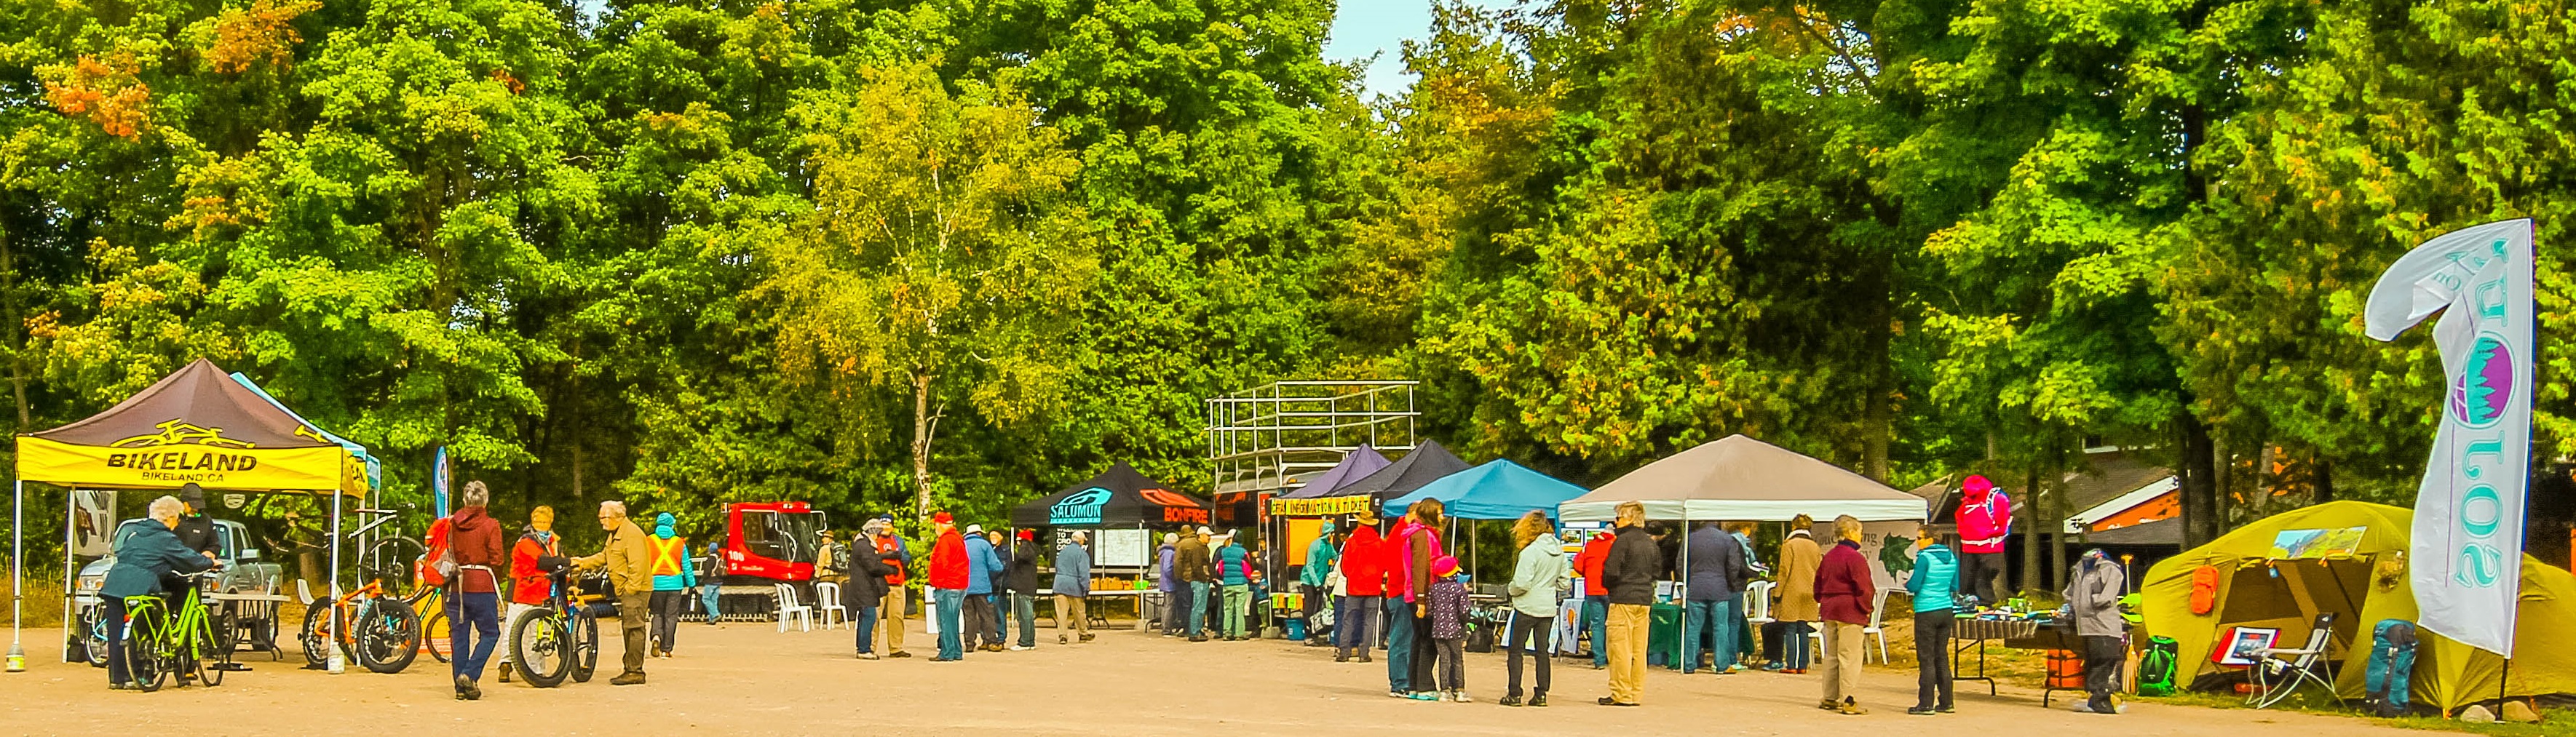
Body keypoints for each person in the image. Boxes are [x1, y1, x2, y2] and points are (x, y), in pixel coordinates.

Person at [100, 495, 213, 690]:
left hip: (115, 583)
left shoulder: (134, 532)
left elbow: (129, 555)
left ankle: (117, 678)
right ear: (169, 518)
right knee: (143, 631)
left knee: (117, 634)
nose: (178, 524)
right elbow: (187, 558)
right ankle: (139, 675)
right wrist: (210, 562)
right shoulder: (164, 537)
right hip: (141, 585)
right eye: (178, 519)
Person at [574, 500, 652, 685]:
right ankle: (631, 668)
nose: (601, 521)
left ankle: (634, 671)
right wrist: (582, 562)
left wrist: (629, 590)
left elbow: (638, 566)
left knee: (634, 628)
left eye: (604, 517)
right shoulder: (616, 534)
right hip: (627, 589)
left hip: (636, 590)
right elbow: (605, 556)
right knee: (628, 628)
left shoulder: (632, 534)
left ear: (617, 517)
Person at [445, 481, 506, 700]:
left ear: (465, 500)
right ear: (486, 500)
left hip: (455, 585)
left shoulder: (450, 524)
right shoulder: (491, 525)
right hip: (481, 584)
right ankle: (469, 675)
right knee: (490, 633)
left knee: (459, 637)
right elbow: (497, 558)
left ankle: (461, 688)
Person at [1596, 501, 1659, 707]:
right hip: (1644, 599)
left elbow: (1611, 571)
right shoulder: (1651, 543)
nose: (1615, 522)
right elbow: (1657, 570)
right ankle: (1635, 693)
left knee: (1619, 648)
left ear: (1630, 519)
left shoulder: (1622, 541)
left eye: (1619, 518)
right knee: (1639, 650)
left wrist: (1610, 587)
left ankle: (1621, 693)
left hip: (1623, 598)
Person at [1502, 510, 1566, 707]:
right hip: (1547, 606)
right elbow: (1564, 583)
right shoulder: (1559, 551)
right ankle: (1542, 694)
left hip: (1527, 605)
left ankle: (1515, 693)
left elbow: (1522, 582)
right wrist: (1549, 588)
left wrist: (1511, 590)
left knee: (1516, 651)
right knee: (1542, 652)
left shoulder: (1530, 552)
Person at [1386, 499, 1446, 700]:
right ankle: (1419, 685)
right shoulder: (1419, 535)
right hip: (1413, 592)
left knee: (1416, 639)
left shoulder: (1407, 533)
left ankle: (1411, 684)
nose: (1442, 518)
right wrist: (1421, 598)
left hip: (1407, 591)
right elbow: (1419, 567)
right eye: (1439, 514)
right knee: (1423, 640)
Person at [1815, 514, 1876, 714]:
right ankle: (1849, 699)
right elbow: (1865, 587)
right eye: (1859, 532)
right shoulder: (1855, 558)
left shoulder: (1829, 556)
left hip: (1829, 608)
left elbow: (1818, 584)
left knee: (1832, 654)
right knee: (1849, 656)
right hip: (1850, 609)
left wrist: (1823, 601)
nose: (1860, 536)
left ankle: (1830, 697)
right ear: (1851, 533)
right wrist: (1866, 608)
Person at [501, 505, 563, 683]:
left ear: (550, 523)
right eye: (538, 521)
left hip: (542, 593)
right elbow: (543, 562)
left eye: (545, 522)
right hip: (522, 591)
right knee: (513, 630)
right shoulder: (525, 541)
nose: (541, 525)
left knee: (539, 632)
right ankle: (506, 664)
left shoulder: (553, 542)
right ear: (532, 522)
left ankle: (536, 670)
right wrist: (565, 561)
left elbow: (557, 565)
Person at [1678, 521, 1746, 675]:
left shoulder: (1690, 538)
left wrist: (1690, 580)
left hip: (1696, 588)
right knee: (1721, 627)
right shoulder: (1728, 540)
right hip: (1720, 588)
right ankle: (1721, 664)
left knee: (1693, 628)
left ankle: (1689, 664)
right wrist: (1728, 582)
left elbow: (1681, 564)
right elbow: (1734, 566)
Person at [2064, 549, 2128, 714]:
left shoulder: (2110, 570)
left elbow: (2107, 597)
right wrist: (2072, 606)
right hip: (2085, 626)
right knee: (2093, 662)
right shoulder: (2078, 570)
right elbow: (2069, 593)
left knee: (2104, 660)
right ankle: (2095, 700)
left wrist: (2091, 601)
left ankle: (2102, 701)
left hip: (2105, 625)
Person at [1905, 525, 1959, 715]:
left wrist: (1907, 584)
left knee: (1926, 658)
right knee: (1941, 656)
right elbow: (1954, 585)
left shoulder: (1924, 558)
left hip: (1926, 610)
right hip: (1946, 609)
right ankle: (1947, 702)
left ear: (1930, 539)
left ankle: (1925, 704)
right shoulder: (1952, 557)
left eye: (1919, 538)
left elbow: (1915, 585)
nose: (1917, 542)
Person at [1771, 514, 1822, 674]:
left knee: (1791, 629)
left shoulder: (1789, 545)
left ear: (1793, 526)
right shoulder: (1815, 546)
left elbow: (1784, 571)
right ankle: (1803, 665)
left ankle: (1791, 665)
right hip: (1810, 591)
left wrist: (1778, 592)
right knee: (1803, 628)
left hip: (1792, 591)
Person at [1954, 474, 2011, 607]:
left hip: (1990, 548)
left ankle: (1986, 603)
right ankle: (1969, 603)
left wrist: (1985, 534)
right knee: (1967, 581)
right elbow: (1959, 519)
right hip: (1969, 547)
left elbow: (2003, 524)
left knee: (1983, 579)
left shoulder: (1997, 500)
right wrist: (1967, 534)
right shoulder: (1966, 503)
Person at [844, 521, 898, 658]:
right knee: (869, 617)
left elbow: (870, 559)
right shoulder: (864, 545)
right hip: (864, 587)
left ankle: (863, 648)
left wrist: (885, 556)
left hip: (862, 586)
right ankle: (864, 649)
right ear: (872, 532)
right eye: (877, 534)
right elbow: (872, 566)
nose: (878, 537)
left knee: (866, 617)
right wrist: (891, 570)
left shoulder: (861, 543)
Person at [1335, 512, 1384, 662]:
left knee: (1349, 618)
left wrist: (1353, 576)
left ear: (1359, 523)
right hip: (1373, 587)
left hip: (1354, 587)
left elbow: (1345, 566)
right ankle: (1364, 653)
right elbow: (1385, 564)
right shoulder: (1379, 543)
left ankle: (1344, 652)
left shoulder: (1352, 542)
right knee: (1369, 620)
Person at [646, 512, 695, 658]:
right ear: (671, 525)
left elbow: (644, 562)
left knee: (657, 614)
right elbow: (686, 565)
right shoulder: (679, 542)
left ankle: (656, 636)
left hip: (655, 584)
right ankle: (666, 649)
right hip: (675, 585)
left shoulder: (649, 541)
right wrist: (692, 584)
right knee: (671, 616)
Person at [1426, 555, 1473, 703]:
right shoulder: (1459, 589)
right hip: (1456, 629)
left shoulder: (1433, 589)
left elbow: (1429, 611)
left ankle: (1444, 691)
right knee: (1457, 659)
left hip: (1438, 629)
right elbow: (1465, 610)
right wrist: (1463, 623)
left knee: (1444, 660)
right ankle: (1459, 690)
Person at [925, 511, 969, 661]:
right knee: (953, 619)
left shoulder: (945, 541)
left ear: (940, 525)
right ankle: (956, 651)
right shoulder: (958, 539)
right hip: (960, 584)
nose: (935, 528)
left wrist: (937, 582)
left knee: (945, 620)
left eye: (936, 525)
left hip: (948, 585)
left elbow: (941, 563)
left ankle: (947, 652)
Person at [1572, 528, 1614, 670]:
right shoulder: (1615, 544)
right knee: (1614, 625)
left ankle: (1599, 660)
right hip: (1611, 590)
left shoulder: (1589, 545)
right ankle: (1613, 658)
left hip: (1592, 589)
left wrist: (1589, 573)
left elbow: (1578, 564)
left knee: (1597, 625)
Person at [871, 519, 914, 657]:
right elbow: (868, 558)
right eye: (882, 525)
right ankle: (870, 647)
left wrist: (900, 556)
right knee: (875, 616)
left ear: (892, 527)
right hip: (879, 582)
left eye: (888, 525)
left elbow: (907, 558)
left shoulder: (899, 541)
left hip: (897, 583)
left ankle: (896, 648)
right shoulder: (874, 540)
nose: (885, 527)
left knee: (896, 616)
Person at [959, 525, 1001, 652]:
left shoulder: (961, 545)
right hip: (982, 587)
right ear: (979, 533)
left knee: (969, 616)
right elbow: (996, 566)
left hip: (965, 586)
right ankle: (991, 641)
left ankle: (969, 643)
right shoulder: (984, 545)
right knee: (986, 615)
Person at [1299, 527, 1339, 646]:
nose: (1332, 535)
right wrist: (1316, 583)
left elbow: (1336, 557)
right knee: (1309, 609)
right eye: (1332, 533)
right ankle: (1308, 636)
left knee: (1318, 610)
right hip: (1308, 581)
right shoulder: (1315, 546)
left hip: (1320, 581)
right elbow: (1310, 566)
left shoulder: (1328, 546)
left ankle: (1315, 634)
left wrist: (1332, 571)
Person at [1055, 530, 1093, 644]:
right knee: (1079, 611)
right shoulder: (1082, 554)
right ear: (1081, 541)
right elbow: (1084, 573)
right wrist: (1085, 588)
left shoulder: (1062, 552)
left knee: (1061, 613)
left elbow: (1057, 567)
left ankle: (1063, 636)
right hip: (1075, 586)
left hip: (1060, 584)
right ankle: (1083, 633)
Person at [1007, 529, 1043, 650]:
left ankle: (1025, 642)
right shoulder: (1032, 551)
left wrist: (1022, 544)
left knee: (1024, 616)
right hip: (1030, 586)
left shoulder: (1025, 549)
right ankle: (1030, 641)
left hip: (1023, 587)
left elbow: (1021, 557)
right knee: (1027, 615)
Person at [1177, 526, 1213, 641]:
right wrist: (1204, 578)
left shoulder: (1202, 547)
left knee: (1201, 607)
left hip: (1199, 579)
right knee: (1198, 607)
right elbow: (1197, 565)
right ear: (1201, 535)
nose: (1209, 538)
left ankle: (1198, 630)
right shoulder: (1198, 548)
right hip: (1198, 580)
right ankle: (1194, 632)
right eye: (1208, 535)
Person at [1215, 532, 1253, 640]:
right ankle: (1239, 634)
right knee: (1239, 608)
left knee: (1227, 609)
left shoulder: (1224, 551)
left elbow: (1220, 568)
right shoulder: (1243, 552)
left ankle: (1227, 633)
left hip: (1227, 584)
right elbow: (1248, 568)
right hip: (1241, 583)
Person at [170, 484, 219, 560]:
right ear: (183, 503)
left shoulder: (206, 520)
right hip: (172, 565)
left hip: (197, 566)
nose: (195, 509)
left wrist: (210, 552)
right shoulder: (171, 517)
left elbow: (215, 545)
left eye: (197, 507)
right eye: (192, 506)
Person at [1156, 533, 1181, 635]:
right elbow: (1168, 568)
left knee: (1166, 605)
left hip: (1165, 583)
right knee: (1170, 606)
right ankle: (1167, 629)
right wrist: (1175, 577)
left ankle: (1165, 626)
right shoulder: (1170, 553)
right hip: (1170, 583)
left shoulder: (1163, 552)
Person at [697, 538, 724, 626]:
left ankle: (716, 615)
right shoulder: (719, 557)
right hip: (719, 581)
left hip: (711, 581)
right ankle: (712, 619)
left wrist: (703, 579)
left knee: (706, 599)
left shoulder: (711, 558)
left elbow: (708, 571)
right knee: (713, 600)